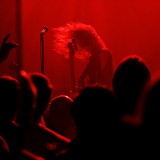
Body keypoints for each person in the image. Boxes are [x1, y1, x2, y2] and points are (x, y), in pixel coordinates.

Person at [52, 22, 113, 90]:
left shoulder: (103, 54)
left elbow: (103, 81)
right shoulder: (92, 58)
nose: (79, 46)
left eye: (80, 43)